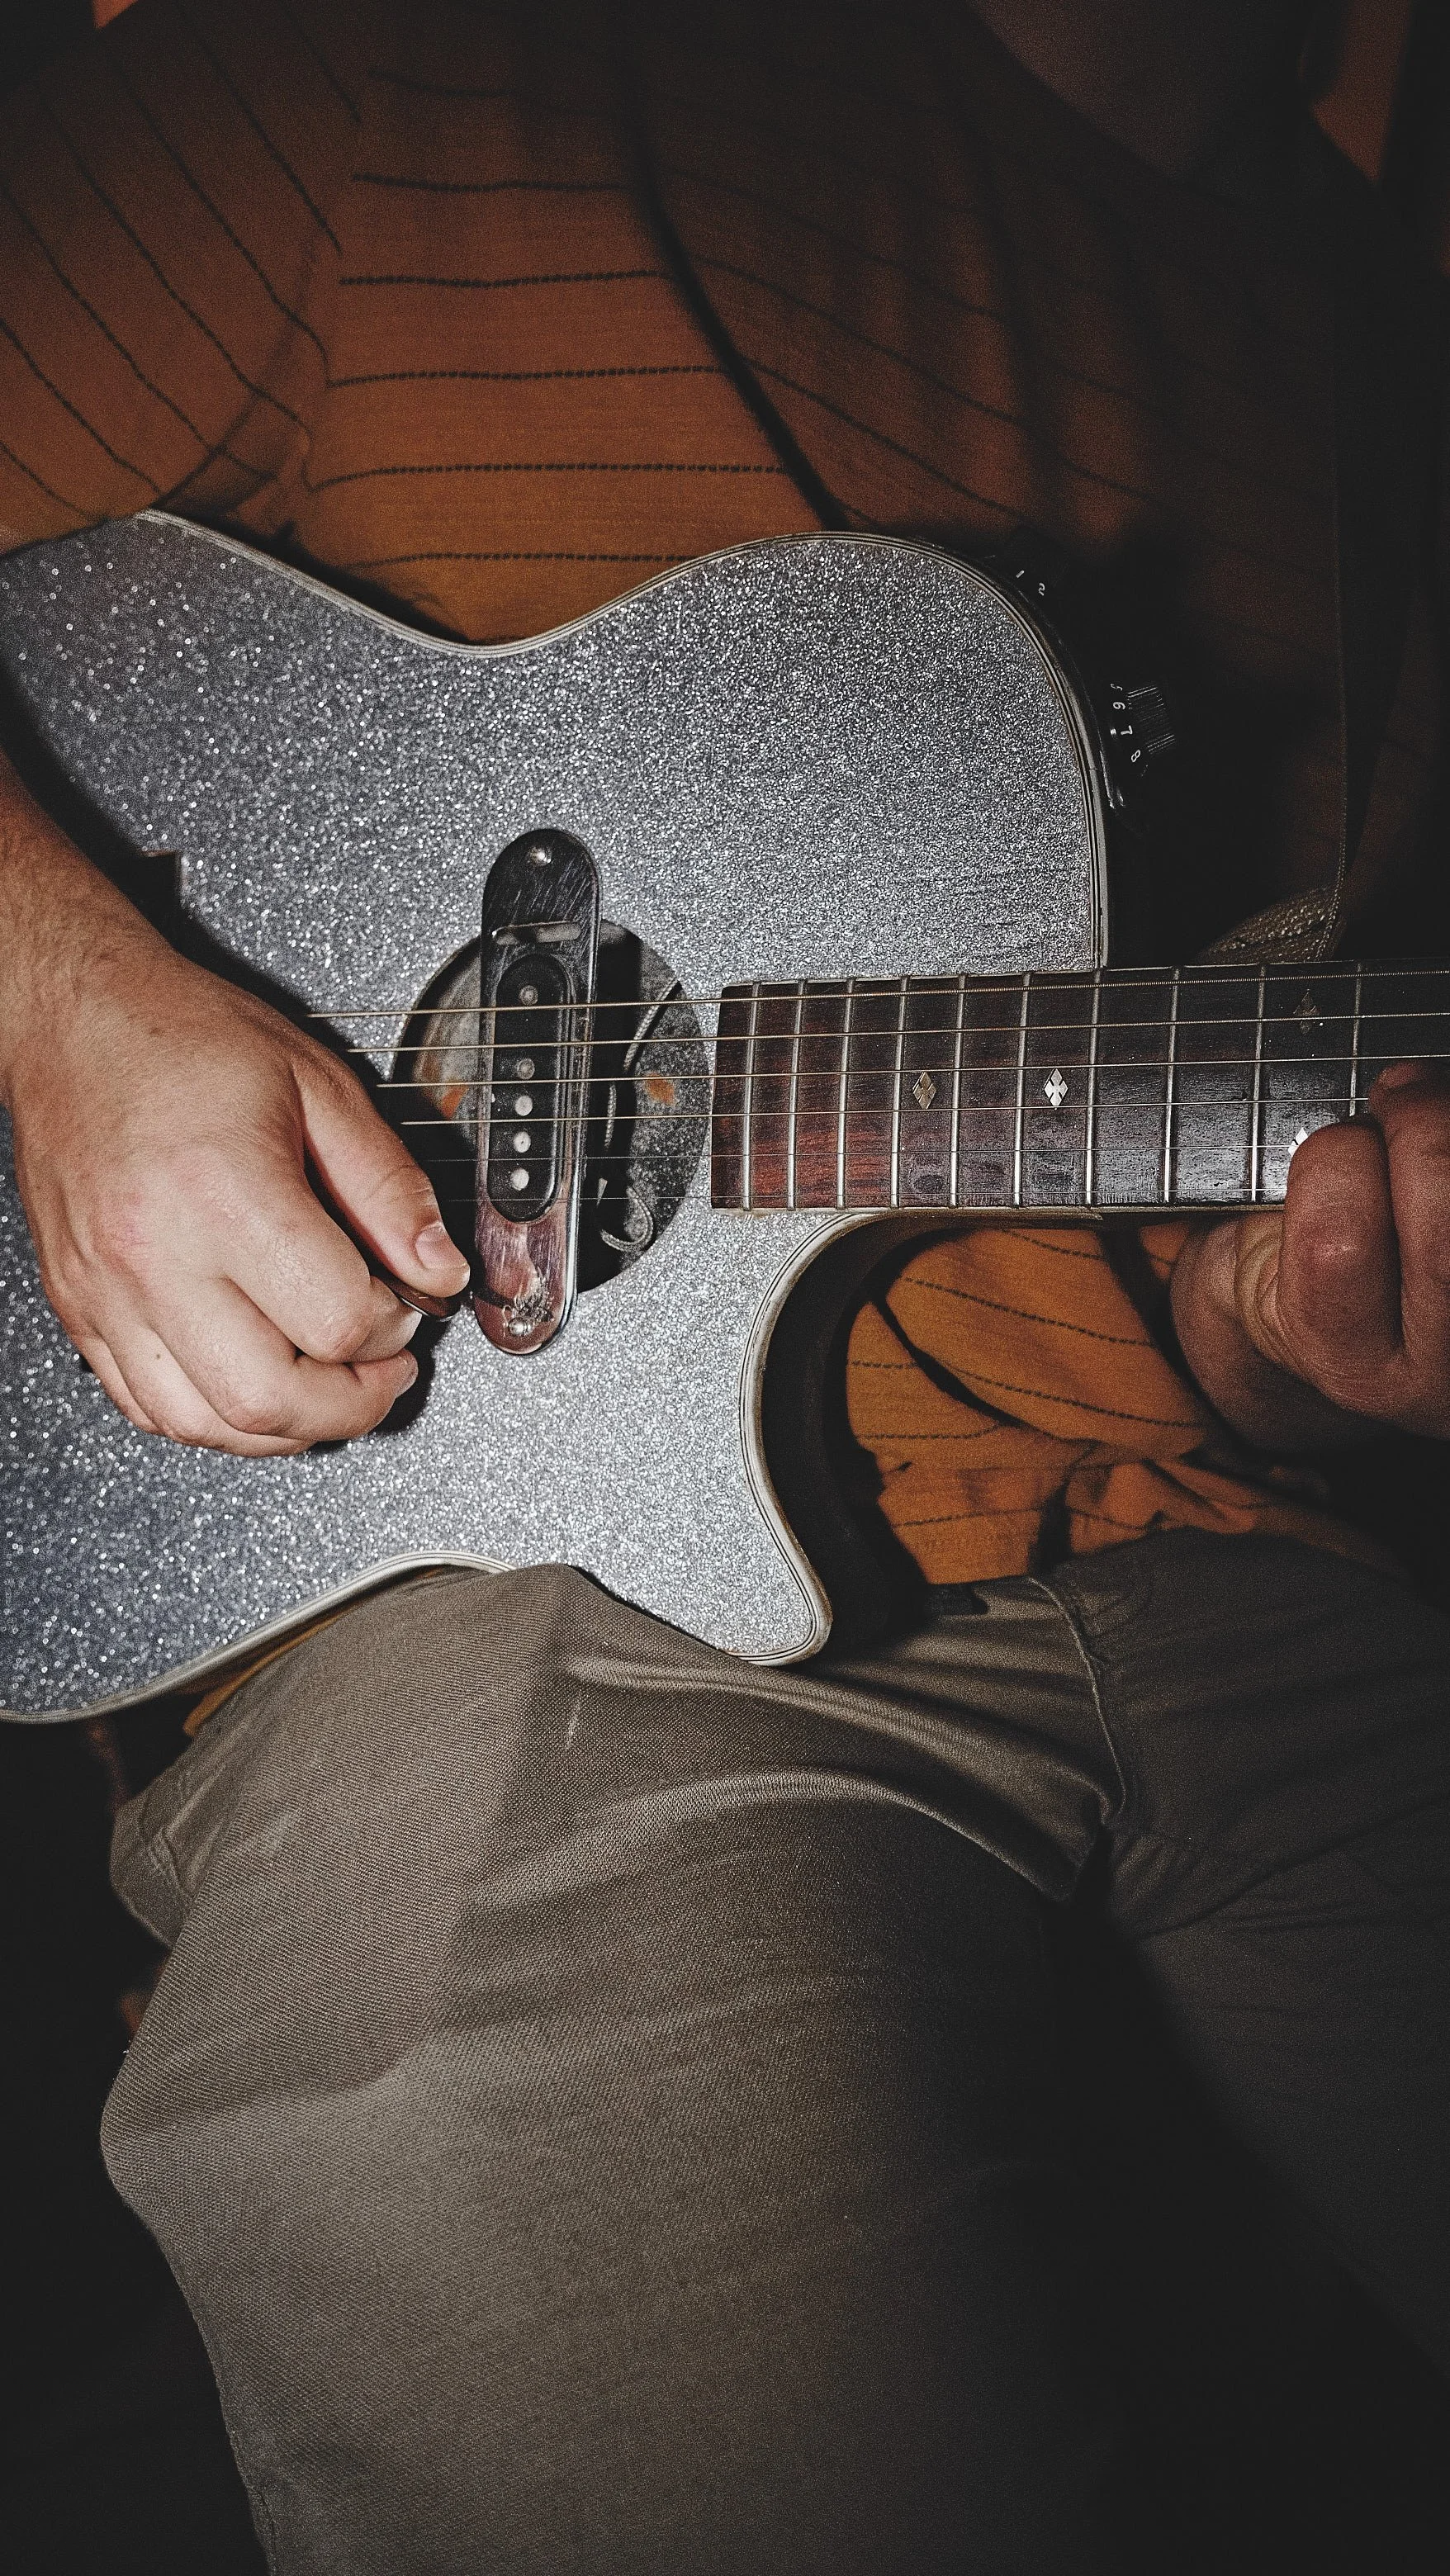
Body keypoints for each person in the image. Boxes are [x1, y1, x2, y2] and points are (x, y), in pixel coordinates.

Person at [0, 2, 1447, 2566]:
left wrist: (1299, 1334)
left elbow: (1204, 1161)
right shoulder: (405, 73)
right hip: (517, 1583)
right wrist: (62, 999)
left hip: (1264, 1587)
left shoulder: (1382, 347)